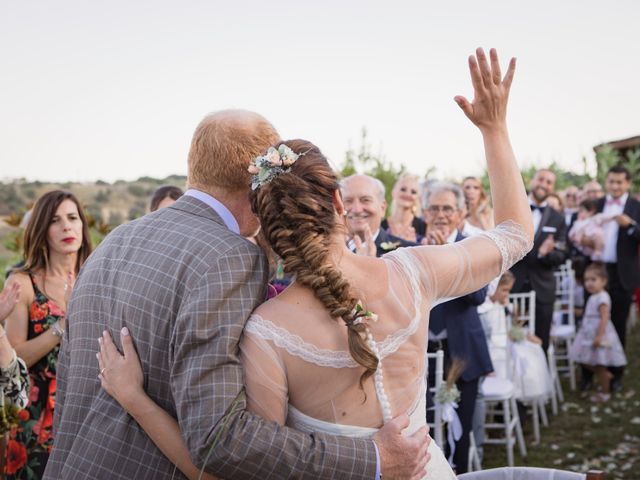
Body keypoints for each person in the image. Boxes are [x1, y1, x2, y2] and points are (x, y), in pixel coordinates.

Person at [95, 48, 533, 480]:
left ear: (263, 226)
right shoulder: (413, 272)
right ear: (339, 202)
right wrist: (494, 130)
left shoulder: (266, 333)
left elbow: (231, 471)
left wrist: (135, 397)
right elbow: (516, 233)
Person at [45, 111, 429, 480]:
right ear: (259, 176)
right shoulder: (230, 257)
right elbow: (220, 440)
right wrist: (370, 460)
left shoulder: (115, 241)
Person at [4, 190, 92, 478]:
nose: (67, 226)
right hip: (36, 416)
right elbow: (15, 359)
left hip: (87, 410)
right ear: (42, 228)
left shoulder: (98, 276)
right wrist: (62, 326)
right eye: (55, 220)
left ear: (82, 225)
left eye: (72, 217)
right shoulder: (24, 282)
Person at [423, 181, 493, 473]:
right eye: (434, 208)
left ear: (462, 212)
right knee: (424, 430)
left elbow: (477, 297)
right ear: (425, 213)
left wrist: (448, 257)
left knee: (461, 432)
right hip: (421, 355)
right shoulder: (412, 247)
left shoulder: (475, 247)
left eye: (448, 208)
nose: (441, 214)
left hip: (463, 350)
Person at [510, 168, 567, 352]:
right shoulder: (512, 206)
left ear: (553, 187)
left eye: (549, 182)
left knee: (541, 340)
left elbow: (562, 255)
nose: (544, 184)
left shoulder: (558, 218)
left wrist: (544, 254)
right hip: (513, 285)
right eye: (541, 179)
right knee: (512, 338)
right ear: (533, 180)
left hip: (542, 288)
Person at [595, 165, 640, 391]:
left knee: (618, 324)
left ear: (627, 184)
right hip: (597, 272)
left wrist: (630, 225)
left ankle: (616, 374)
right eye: (611, 181)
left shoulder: (635, 206)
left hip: (622, 274)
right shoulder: (598, 205)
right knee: (594, 321)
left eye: (619, 182)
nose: (614, 186)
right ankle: (592, 372)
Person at [569, 262, 626, 402]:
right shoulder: (593, 297)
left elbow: (604, 317)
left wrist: (599, 336)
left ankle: (605, 392)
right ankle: (607, 376)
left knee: (599, 364)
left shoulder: (602, 297)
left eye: (593, 280)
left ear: (604, 281)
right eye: (587, 280)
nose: (589, 283)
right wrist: (576, 311)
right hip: (587, 333)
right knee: (584, 360)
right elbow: (589, 313)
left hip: (598, 333)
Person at [342, 174, 417, 256]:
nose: (357, 209)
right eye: (348, 201)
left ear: (382, 208)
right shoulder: (328, 253)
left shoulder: (408, 253)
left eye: (365, 200)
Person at [381, 174, 427, 243]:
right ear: (393, 193)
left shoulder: (423, 227)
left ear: (417, 198)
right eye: (403, 189)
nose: (408, 194)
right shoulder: (381, 226)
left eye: (413, 192)